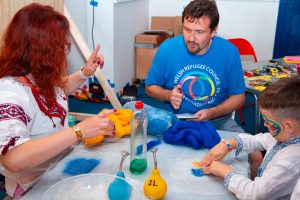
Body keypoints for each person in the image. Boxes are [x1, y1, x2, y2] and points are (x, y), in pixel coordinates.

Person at [0, 3, 115, 197]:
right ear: (41, 51)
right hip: (34, 186)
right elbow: (13, 158)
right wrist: (79, 131)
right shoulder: (9, 94)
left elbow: (58, 89)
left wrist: (84, 73)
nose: (64, 51)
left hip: (60, 167)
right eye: (59, 46)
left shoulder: (34, 74)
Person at [145, 0, 245, 132]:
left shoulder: (229, 52)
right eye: (187, 30)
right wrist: (168, 95)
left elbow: (238, 97)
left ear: (213, 31)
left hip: (217, 120)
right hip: (175, 120)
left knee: (250, 149)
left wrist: (212, 112)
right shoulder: (167, 49)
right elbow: (149, 87)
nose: (191, 38)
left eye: (199, 32)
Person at [199, 76, 300, 199]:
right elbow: (258, 140)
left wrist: (226, 172)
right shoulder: (284, 136)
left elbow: (254, 194)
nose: (265, 125)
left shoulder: (289, 161)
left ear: (289, 126)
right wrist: (229, 144)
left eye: (269, 123)